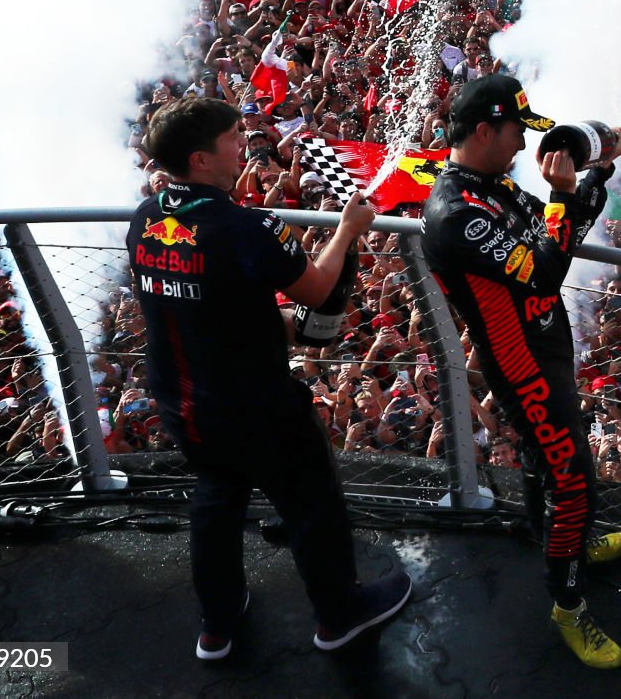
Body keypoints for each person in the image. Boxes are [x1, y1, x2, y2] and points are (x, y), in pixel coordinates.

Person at [128, 96, 411, 663]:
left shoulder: (145, 220)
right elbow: (315, 290)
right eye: (234, 137)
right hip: (258, 409)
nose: (244, 145)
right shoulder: (247, 225)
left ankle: (218, 625)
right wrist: (348, 231)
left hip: (185, 406)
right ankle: (339, 618)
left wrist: (268, 323)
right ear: (201, 159)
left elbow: (204, 306)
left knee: (216, 502)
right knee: (312, 508)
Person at [419, 72, 621, 669]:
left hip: (548, 345)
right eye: (517, 131)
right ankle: (568, 606)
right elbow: (544, 270)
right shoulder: (454, 212)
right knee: (573, 483)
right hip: (520, 363)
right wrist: (568, 195)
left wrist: (597, 167)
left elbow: (561, 237)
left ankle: (565, 543)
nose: (523, 145)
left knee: (553, 472)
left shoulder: (493, 186)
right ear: (485, 130)